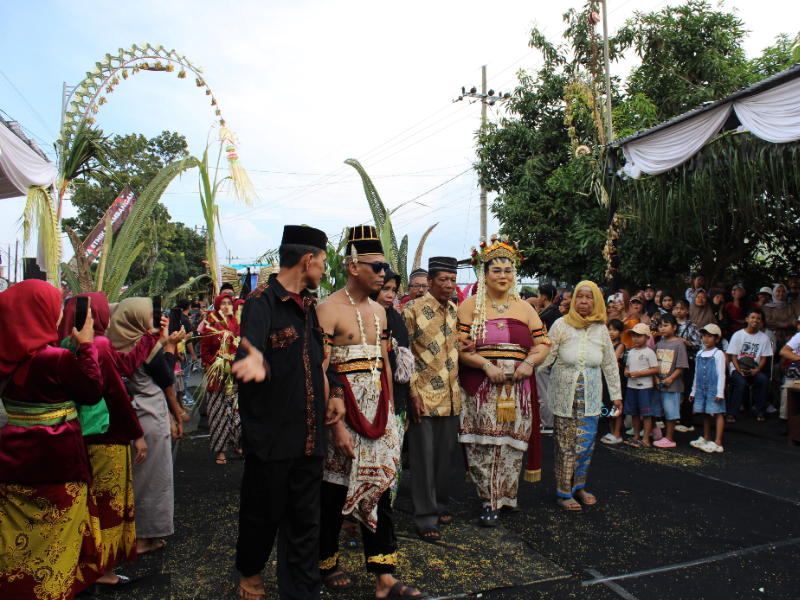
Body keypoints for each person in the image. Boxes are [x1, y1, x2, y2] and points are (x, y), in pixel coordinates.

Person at [231, 225, 344, 600]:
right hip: (273, 438)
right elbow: (247, 354)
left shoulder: (310, 307)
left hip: (310, 436)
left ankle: (303, 592)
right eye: (323, 262)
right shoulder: (261, 304)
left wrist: (336, 392)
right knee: (263, 515)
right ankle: (249, 572)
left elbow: (323, 362)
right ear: (308, 260)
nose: (324, 271)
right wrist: (256, 363)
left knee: (305, 523)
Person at [317, 225, 426, 599]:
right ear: (352, 265)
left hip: (379, 418)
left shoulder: (381, 311)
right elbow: (322, 370)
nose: (383, 273)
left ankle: (385, 576)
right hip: (341, 420)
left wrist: (393, 416)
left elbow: (383, 364)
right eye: (376, 266)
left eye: (385, 266)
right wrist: (337, 428)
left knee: (379, 491)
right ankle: (326, 564)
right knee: (332, 494)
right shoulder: (327, 309)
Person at [0, 280, 104, 599]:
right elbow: (91, 392)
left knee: (17, 539)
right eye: (55, 306)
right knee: (56, 542)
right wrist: (86, 345)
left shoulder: (5, 358)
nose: (60, 313)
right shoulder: (53, 358)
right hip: (57, 461)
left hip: (12, 458)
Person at [57, 293, 165, 592]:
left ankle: (85, 568)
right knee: (109, 505)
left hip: (77, 435)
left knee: (86, 505)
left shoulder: (64, 345)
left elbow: (124, 365)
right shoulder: (99, 345)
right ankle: (104, 573)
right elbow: (118, 391)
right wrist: (137, 434)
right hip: (108, 437)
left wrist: (148, 338)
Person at [457, 236, 551, 525]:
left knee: (512, 442)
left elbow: (544, 343)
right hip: (482, 387)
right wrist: (485, 365)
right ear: (483, 273)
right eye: (496, 270)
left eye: (508, 270)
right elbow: (459, 349)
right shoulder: (470, 306)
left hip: (518, 386)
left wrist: (529, 363)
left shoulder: (524, 307)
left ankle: (507, 496)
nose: (503, 276)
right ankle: (488, 499)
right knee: (484, 444)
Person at [106, 298, 184, 557]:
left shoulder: (108, 344)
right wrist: (170, 345)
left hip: (127, 418)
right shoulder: (147, 347)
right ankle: (144, 538)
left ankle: (136, 535)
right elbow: (166, 377)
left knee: (134, 480)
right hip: (151, 416)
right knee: (152, 480)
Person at [537, 281, 622, 511]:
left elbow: (610, 364)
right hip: (565, 394)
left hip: (592, 395)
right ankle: (564, 492)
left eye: (589, 297)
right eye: (579, 297)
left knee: (585, 443)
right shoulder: (560, 325)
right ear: (573, 300)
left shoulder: (601, 329)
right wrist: (525, 367)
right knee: (565, 444)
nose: (584, 301)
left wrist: (616, 395)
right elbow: (546, 357)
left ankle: (579, 486)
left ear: (596, 301)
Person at [401, 256, 461, 542]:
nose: (449, 285)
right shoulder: (412, 310)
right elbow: (405, 354)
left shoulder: (453, 311)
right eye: (443, 280)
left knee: (444, 456)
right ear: (431, 282)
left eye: (453, 279)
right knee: (423, 458)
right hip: (422, 395)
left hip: (451, 396)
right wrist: (411, 392)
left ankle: (440, 505)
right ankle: (424, 516)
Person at [370, 268, 412, 498]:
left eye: (393, 290)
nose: (389, 294)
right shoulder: (361, 315)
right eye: (384, 288)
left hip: (396, 402)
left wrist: (404, 409)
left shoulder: (397, 320)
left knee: (391, 459)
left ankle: (386, 510)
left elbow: (404, 371)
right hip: (367, 401)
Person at [201, 291, 243, 465]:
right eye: (223, 303)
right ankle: (220, 451)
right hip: (217, 378)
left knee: (236, 415)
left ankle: (239, 444)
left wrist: (235, 365)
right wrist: (219, 364)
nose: (226, 306)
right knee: (219, 415)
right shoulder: (209, 325)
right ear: (217, 305)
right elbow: (204, 353)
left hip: (234, 377)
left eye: (229, 303)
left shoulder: (237, 324)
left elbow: (241, 347)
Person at [727, 308, 773, 423]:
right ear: (747, 319)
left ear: (761, 321)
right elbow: (733, 357)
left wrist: (757, 371)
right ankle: (732, 413)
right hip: (738, 368)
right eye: (753, 317)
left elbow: (764, 358)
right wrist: (739, 370)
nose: (755, 320)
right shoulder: (738, 335)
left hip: (754, 369)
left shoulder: (764, 338)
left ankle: (760, 411)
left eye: (758, 318)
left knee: (764, 380)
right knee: (741, 383)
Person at [651, 313, 689, 448]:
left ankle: (669, 438)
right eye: (661, 326)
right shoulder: (658, 344)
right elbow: (653, 365)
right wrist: (655, 377)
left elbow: (682, 366)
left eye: (666, 325)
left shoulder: (679, 344)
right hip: (658, 385)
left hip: (673, 386)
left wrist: (671, 378)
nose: (663, 328)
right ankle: (655, 431)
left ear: (674, 327)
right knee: (654, 410)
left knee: (671, 413)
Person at [689, 324, 727, 453]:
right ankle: (706, 437)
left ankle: (718, 441)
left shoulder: (719, 353)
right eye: (704, 335)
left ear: (716, 339)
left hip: (713, 389)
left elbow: (722, 373)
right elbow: (696, 374)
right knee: (705, 412)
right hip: (701, 388)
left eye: (709, 336)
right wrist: (693, 391)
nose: (706, 339)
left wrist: (720, 391)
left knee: (717, 412)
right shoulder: (699, 353)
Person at [623, 323, 658, 449]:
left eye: (639, 336)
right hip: (632, 386)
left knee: (646, 413)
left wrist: (640, 374)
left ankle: (646, 439)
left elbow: (655, 369)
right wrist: (627, 372)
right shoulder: (631, 352)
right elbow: (627, 367)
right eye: (634, 336)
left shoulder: (649, 352)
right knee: (634, 412)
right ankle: (636, 436)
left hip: (644, 387)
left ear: (647, 337)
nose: (635, 338)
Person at [673, 298, 702, 432]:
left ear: (688, 311)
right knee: (673, 389)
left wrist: (684, 342)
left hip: (687, 362)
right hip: (672, 362)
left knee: (687, 389)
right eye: (677, 308)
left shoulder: (692, 326)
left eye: (682, 308)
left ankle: (686, 421)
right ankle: (672, 418)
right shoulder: (670, 324)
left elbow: (699, 345)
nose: (679, 311)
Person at [536, 283, 560, 433]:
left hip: (545, 356)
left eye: (538, 295)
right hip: (557, 356)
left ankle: (547, 422)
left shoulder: (544, 315)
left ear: (544, 296)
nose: (538, 298)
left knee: (543, 390)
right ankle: (551, 420)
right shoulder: (558, 313)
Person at [600, 319, 626, 445]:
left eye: (614, 330)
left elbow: (612, 360)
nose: (611, 332)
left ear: (620, 332)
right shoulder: (605, 344)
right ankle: (612, 431)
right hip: (606, 378)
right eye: (609, 329)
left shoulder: (620, 345)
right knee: (610, 405)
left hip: (617, 379)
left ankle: (617, 433)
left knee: (617, 406)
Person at [762, 283, 796, 350]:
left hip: (787, 335)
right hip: (771, 334)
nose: (781, 294)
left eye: (784, 292)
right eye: (779, 291)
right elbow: (769, 322)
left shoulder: (789, 307)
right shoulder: (767, 307)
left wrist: (780, 324)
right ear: (774, 292)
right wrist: (786, 324)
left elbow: (793, 320)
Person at [177, 298, 198, 404]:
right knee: (185, 375)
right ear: (189, 307)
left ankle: (181, 397)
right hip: (186, 352)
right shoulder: (185, 320)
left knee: (181, 375)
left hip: (180, 351)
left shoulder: (178, 318)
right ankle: (183, 397)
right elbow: (188, 340)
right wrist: (193, 355)